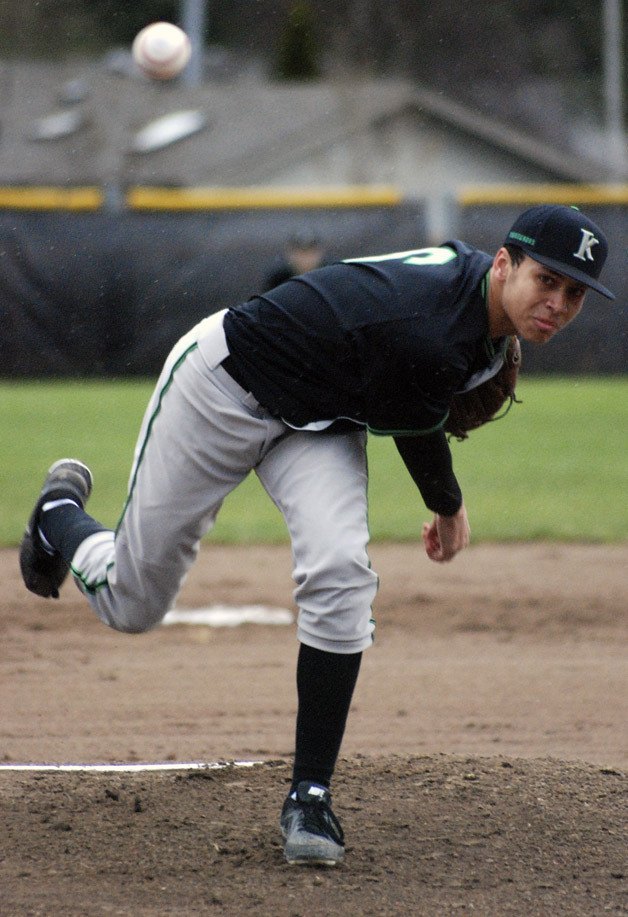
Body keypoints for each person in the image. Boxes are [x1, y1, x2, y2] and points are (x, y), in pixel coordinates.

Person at [20, 204, 614, 867]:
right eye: (546, 281)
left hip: (321, 419)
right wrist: (450, 509)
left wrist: (477, 365)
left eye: (575, 292)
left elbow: (427, 373)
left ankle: (310, 794)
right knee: (132, 601)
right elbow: (418, 428)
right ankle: (57, 516)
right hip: (224, 386)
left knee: (339, 573)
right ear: (503, 264)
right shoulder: (430, 327)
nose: (558, 303)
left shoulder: (474, 302)